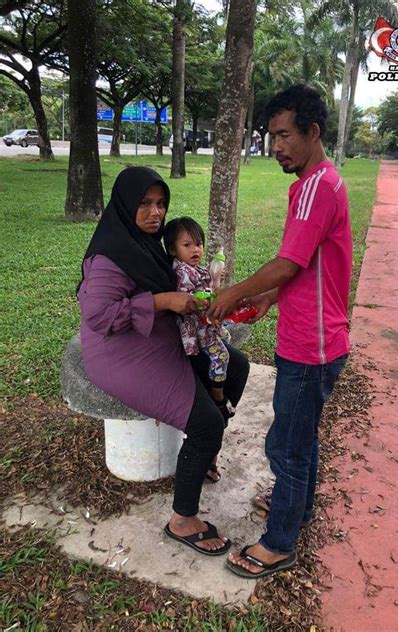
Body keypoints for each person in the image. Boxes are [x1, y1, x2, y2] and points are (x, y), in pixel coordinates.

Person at [206, 84, 352, 577]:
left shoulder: (316, 187)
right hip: (319, 335)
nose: (275, 146)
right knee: (301, 438)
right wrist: (268, 296)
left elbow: (290, 261)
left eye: (285, 135)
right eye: (271, 135)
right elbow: (307, 266)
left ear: (312, 133)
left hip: (311, 344)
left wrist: (230, 295)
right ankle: (299, 509)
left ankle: (279, 543)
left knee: (286, 446)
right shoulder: (321, 182)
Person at [78, 166, 249, 555]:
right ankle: (183, 519)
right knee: (206, 422)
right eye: (145, 203)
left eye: (160, 204)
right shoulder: (109, 256)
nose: (156, 213)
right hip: (119, 352)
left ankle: (203, 453)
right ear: (125, 204)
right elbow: (99, 315)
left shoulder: (145, 242)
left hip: (156, 334)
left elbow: (178, 283)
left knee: (236, 366)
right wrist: (163, 301)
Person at [163, 216, 234, 483]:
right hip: (195, 327)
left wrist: (215, 280)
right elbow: (192, 298)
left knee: (225, 349)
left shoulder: (194, 268)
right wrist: (209, 295)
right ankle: (218, 399)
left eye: (199, 244)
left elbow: (209, 290)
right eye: (187, 244)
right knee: (222, 355)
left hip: (205, 323)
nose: (196, 250)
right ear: (173, 250)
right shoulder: (180, 272)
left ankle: (211, 457)